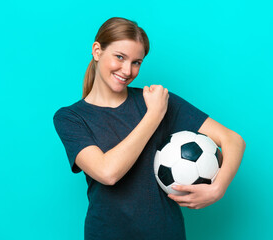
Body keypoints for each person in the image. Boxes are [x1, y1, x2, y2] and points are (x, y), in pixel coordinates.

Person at [53, 17, 246, 240]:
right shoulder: (71, 118)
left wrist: (218, 189)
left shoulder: (157, 100)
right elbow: (108, 173)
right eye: (120, 57)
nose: (127, 70)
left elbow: (233, 140)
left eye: (137, 62)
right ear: (97, 51)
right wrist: (153, 115)